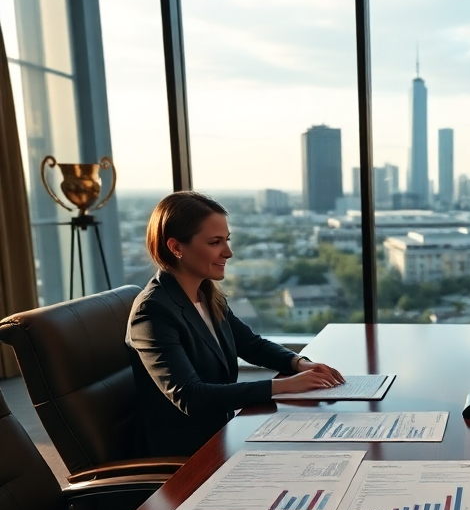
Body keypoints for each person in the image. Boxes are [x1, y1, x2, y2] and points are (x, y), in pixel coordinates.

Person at [127, 191, 344, 457]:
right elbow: (190, 397)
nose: (228, 252)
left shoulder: (206, 295)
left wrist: (298, 363)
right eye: (215, 242)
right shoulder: (152, 311)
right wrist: (284, 386)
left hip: (221, 435)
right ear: (176, 247)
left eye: (227, 240)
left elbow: (251, 344)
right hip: (187, 455)